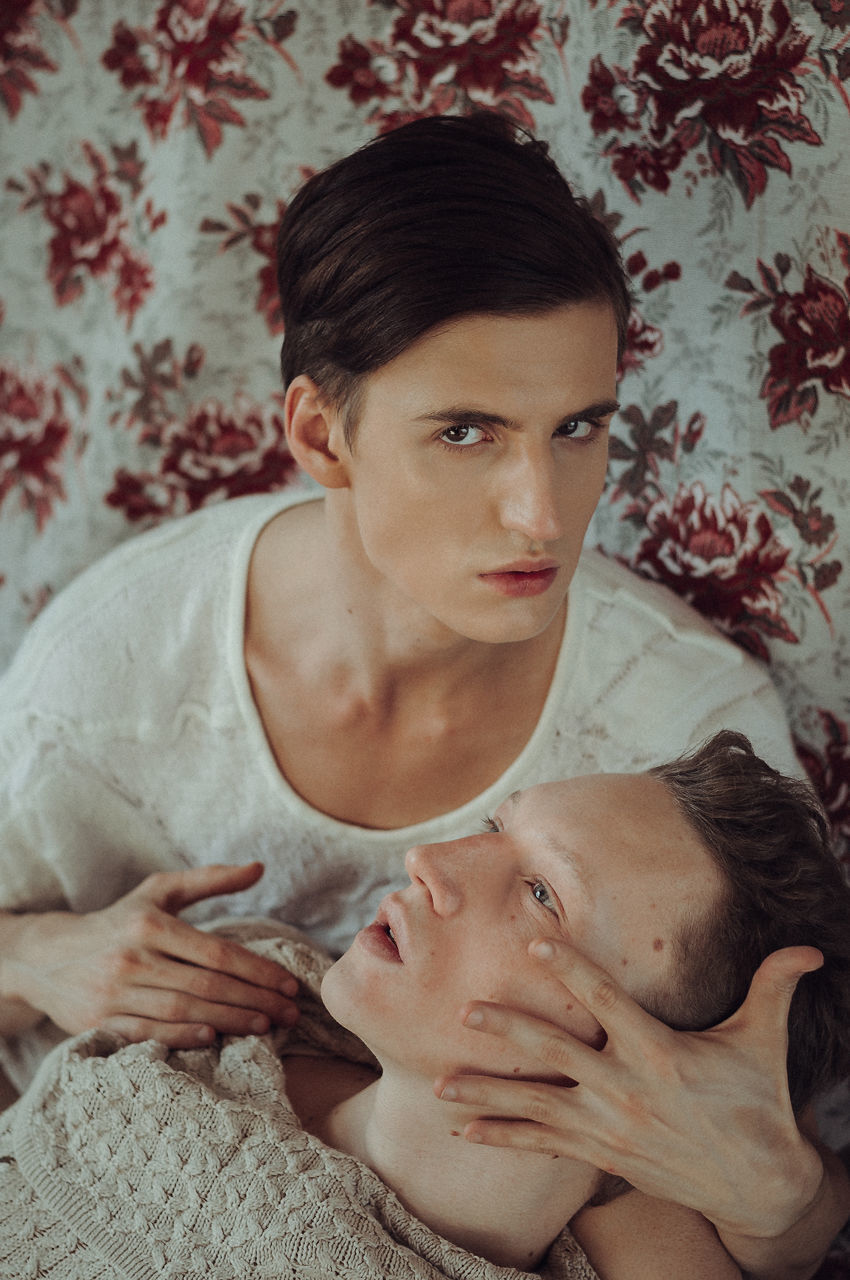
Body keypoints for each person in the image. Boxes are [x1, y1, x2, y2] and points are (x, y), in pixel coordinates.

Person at [0, 113, 844, 1275]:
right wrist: (28, 957)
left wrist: (781, 1195)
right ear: (319, 431)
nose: (543, 514)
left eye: (578, 428)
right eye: (464, 431)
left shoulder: (682, 723)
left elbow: (756, 1170)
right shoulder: (113, 674)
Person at [0, 732, 849, 1279]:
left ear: (660, 1073)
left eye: (544, 894)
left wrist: (790, 1200)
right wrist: (25, 955)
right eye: (494, 824)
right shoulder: (246, 985)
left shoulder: (641, 1244)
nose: (429, 861)